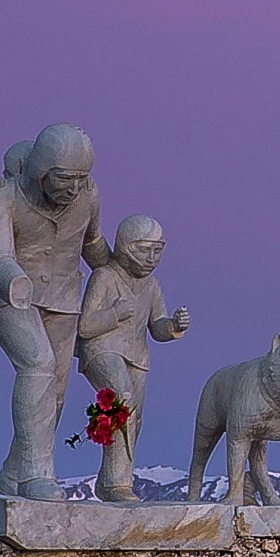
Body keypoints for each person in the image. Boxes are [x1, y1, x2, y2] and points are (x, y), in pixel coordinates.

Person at [0, 123, 110, 497]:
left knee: (54, 395)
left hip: (65, 300)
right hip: (10, 295)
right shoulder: (2, 197)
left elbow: (93, 244)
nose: (73, 188)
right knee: (38, 367)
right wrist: (14, 280)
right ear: (41, 172)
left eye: (81, 179)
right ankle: (38, 476)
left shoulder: (89, 196)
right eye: (64, 179)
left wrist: (122, 269)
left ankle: (10, 481)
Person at [75, 214, 191, 503]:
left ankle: (108, 481)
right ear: (125, 246)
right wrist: (115, 314)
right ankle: (118, 484)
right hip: (102, 349)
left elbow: (157, 327)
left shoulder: (151, 286)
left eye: (157, 250)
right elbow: (85, 326)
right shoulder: (104, 276)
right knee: (121, 402)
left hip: (137, 356)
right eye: (143, 250)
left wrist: (174, 325)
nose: (151, 258)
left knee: (133, 420)